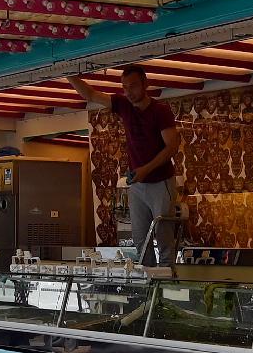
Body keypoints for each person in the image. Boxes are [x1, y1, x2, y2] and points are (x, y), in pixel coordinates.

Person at [75, 65, 181, 267]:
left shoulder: (160, 111)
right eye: (124, 87)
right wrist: (67, 73)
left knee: (163, 233)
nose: (128, 92)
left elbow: (172, 147)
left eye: (132, 86)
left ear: (145, 84)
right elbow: (89, 94)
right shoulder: (124, 105)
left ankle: (167, 278)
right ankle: (147, 280)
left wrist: (145, 170)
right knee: (140, 237)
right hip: (137, 185)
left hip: (161, 181)